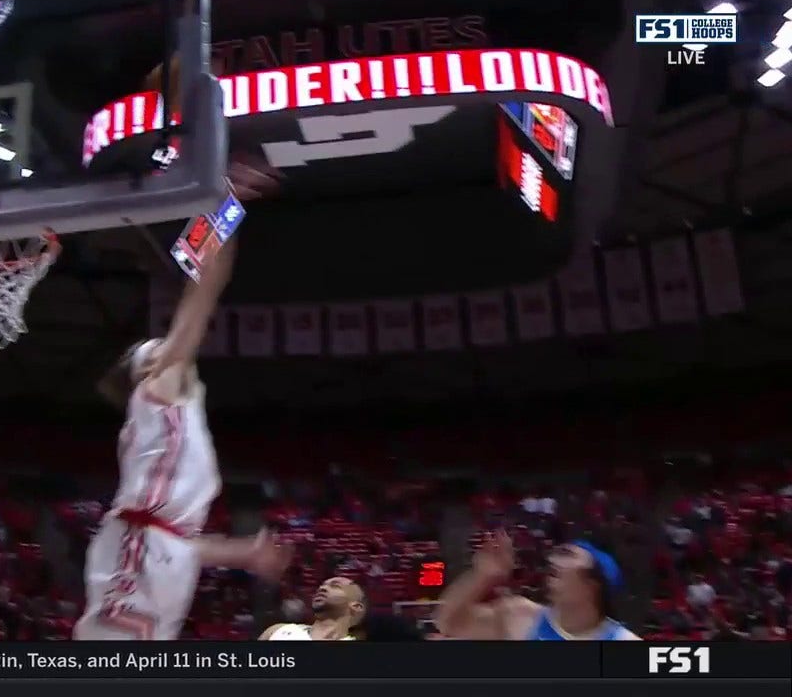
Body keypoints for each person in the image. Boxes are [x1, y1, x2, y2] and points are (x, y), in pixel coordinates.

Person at [73, 157, 288, 641]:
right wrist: (222, 200)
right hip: (142, 550)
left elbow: (178, 542)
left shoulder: (169, 410)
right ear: (145, 369)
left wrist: (243, 554)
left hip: (152, 551)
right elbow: (204, 291)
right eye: (149, 348)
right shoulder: (157, 390)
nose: (162, 344)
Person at [433, 530, 640, 640]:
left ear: (595, 582)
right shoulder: (520, 616)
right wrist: (482, 576)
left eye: (567, 555)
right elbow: (448, 622)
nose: (552, 560)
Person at [260, 576, 423, 641]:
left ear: (356, 607)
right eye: (322, 585)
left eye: (335, 586)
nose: (322, 588)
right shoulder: (277, 631)